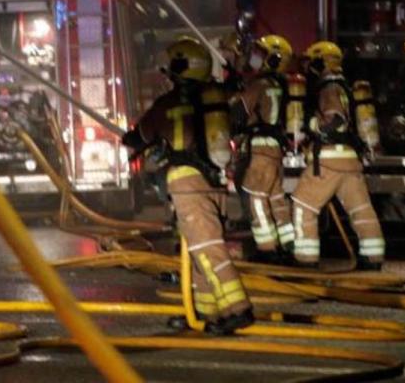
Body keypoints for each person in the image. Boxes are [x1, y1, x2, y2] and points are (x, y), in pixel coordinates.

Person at [123, 37, 254, 335]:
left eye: (171, 67)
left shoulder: (166, 104)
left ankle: (238, 309)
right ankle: (207, 313)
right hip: (213, 183)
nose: (167, 73)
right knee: (198, 251)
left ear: (181, 67)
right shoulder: (214, 98)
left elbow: (140, 135)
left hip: (186, 184)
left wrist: (129, 139)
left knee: (208, 248)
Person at [289, 42, 384, 270]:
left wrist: (310, 126)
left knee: (303, 205)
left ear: (322, 61)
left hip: (330, 159)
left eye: (313, 62)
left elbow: (335, 119)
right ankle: (372, 258)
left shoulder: (329, 87)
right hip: (350, 160)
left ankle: (305, 259)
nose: (310, 67)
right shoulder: (346, 86)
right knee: (361, 210)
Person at [230, 35, 295, 263]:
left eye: (260, 54)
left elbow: (237, 113)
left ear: (274, 60)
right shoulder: (280, 86)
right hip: (275, 150)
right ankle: (288, 244)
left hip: (259, 150)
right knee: (276, 199)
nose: (254, 59)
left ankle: (267, 249)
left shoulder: (259, 85)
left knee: (256, 198)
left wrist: (234, 92)